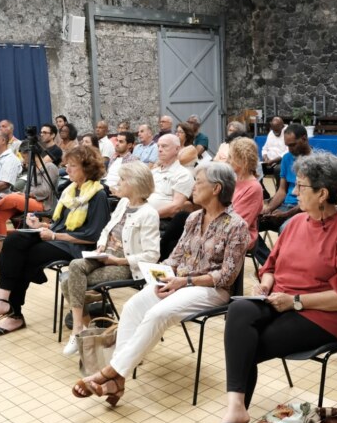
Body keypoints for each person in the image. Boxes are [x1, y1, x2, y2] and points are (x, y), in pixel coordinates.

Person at [186, 152, 337, 423]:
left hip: (326, 316)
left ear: (323, 193)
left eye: (301, 187)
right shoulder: (297, 222)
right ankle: (235, 413)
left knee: (249, 344)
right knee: (240, 311)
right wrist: (267, 282)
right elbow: (270, 265)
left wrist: (296, 301)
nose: (295, 192)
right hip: (281, 301)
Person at [71, 162, 250, 406]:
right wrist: (160, 276)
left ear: (217, 188)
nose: (193, 188)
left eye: (198, 182)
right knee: (133, 306)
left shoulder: (237, 226)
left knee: (157, 314)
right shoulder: (193, 218)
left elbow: (227, 276)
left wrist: (184, 281)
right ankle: (117, 383)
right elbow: (174, 258)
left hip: (211, 289)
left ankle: (110, 373)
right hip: (179, 282)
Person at [0, 145, 110, 336]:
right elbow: (60, 224)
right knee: (13, 241)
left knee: (26, 255)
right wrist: (40, 225)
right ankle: (3, 301)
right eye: (68, 164)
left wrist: (54, 235)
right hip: (59, 240)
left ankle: (14, 314)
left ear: (87, 168)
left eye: (73, 166)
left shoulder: (98, 195)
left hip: (78, 247)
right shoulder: (71, 191)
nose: (67, 169)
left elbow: (93, 236)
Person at [60, 162, 160, 355]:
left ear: (134, 183)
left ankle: (83, 331)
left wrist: (118, 261)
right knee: (74, 267)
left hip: (126, 264)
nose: (118, 183)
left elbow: (152, 255)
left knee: (68, 282)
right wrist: (101, 245)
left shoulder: (149, 213)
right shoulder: (123, 203)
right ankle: (83, 329)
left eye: (123, 179)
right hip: (105, 255)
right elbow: (107, 229)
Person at [254, 123, 310, 264]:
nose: (290, 149)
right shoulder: (287, 158)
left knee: (286, 229)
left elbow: (310, 202)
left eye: (293, 145)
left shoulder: (315, 162)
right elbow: (282, 191)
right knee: (247, 227)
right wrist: (269, 209)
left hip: (303, 210)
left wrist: (285, 215)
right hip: (285, 207)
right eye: (287, 146)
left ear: (304, 139)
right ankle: (270, 264)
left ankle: (280, 266)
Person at [0, 141, 60, 235]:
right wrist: (24, 193)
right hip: (30, 199)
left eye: (23, 156)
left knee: (12, 198)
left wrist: (27, 193)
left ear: (29, 153)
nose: (23, 159)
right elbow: (26, 188)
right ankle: (1, 244)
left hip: (45, 203)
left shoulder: (50, 167)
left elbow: (45, 191)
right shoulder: (32, 168)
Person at [227, 137, 263, 249]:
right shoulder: (233, 180)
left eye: (230, 157)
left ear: (242, 160)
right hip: (225, 227)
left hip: (239, 234)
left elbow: (238, 222)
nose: (227, 160)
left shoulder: (254, 188)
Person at [261, 116, 288, 186]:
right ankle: (263, 191)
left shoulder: (287, 133)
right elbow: (265, 148)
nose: (275, 133)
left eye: (277, 130)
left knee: (278, 169)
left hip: (281, 161)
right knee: (254, 167)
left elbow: (287, 152)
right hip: (269, 161)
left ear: (282, 126)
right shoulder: (271, 133)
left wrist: (273, 161)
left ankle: (279, 190)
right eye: (274, 130)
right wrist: (265, 157)